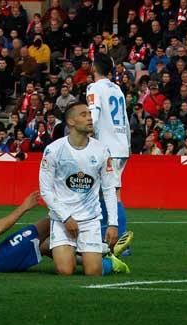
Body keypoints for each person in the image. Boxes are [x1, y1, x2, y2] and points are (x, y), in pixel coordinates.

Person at [39, 102, 130, 276]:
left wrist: (113, 224)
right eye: (83, 114)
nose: (89, 117)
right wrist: (65, 217)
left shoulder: (101, 150)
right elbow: (46, 190)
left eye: (89, 113)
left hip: (90, 220)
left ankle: (110, 262)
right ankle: (52, 245)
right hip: (62, 219)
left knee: (93, 272)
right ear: (71, 122)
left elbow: (109, 189)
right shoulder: (53, 150)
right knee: (65, 271)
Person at [87, 53, 134, 255]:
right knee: (104, 193)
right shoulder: (117, 89)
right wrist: (128, 144)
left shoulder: (94, 88)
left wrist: (87, 138)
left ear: (94, 68)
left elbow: (93, 116)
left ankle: (121, 243)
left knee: (111, 193)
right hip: (121, 144)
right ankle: (104, 237)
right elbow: (124, 119)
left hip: (106, 147)